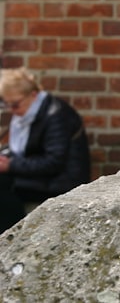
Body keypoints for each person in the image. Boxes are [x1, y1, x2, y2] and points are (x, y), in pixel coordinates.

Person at [0, 67, 90, 232]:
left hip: (61, 181)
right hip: (44, 176)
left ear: (32, 95)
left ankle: (10, 236)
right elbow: (24, 149)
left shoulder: (56, 115)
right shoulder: (30, 112)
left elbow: (54, 162)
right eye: (7, 104)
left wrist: (10, 166)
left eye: (15, 104)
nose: (12, 110)